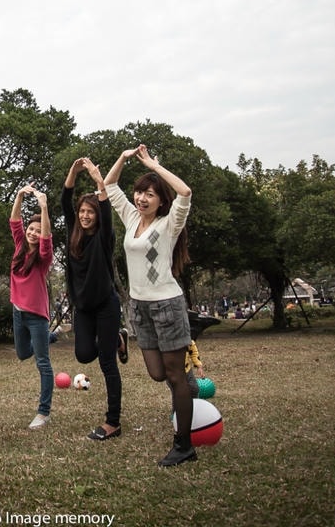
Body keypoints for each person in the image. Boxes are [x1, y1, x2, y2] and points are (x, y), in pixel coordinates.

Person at [104, 144, 195, 467]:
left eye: (150, 194)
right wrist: (123, 158)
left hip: (167, 305)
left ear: (160, 201)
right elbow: (109, 186)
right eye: (139, 192)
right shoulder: (131, 218)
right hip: (139, 307)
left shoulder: (169, 224)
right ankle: (189, 383)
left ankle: (184, 445)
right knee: (157, 374)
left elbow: (184, 191)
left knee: (174, 378)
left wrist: (152, 165)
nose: (142, 198)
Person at [60, 158, 121, 441]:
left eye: (90, 212)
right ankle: (116, 338)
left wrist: (99, 182)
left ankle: (112, 422)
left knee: (107, 363)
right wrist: (74, 171)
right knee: (84, 354)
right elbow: (65, 198)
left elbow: (107, 211)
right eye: (82, 211)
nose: (85, 216)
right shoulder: (72, 232)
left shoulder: (104, 237)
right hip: (83, 308)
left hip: (106, 304)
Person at [9, 183, 55, 430]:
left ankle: (43, 412)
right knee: (22, 353)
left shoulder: (43, 257)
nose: (33, 233)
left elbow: (47, 238)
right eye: (31, 228)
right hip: (18, 312)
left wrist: (43, 207)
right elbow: (14, 220)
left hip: (37, 316)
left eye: (38, 230)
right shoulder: (18, 246)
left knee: (43, 364)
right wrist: (18, 195)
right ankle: (50, 338)